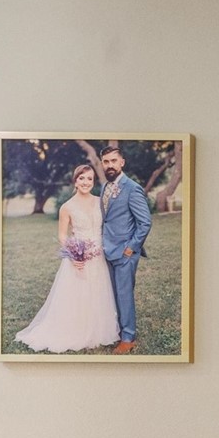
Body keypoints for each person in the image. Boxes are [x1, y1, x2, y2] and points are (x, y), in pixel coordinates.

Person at [15, 162, 121, 353]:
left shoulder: (100, 202)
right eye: (82, 178)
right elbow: (63, 235)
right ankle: (76, 329)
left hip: (99, 255)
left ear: (93, 181)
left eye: (89, 179)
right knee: (78, 293)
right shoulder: (67, 207)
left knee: (98, 290)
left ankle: (97, 328)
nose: (86, 182)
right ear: (75, 181)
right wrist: (74, 254)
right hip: (79, 256)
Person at [97, 145, 153, 353]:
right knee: (113, 293)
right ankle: (118, 330)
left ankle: (128, 338)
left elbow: (145, 222)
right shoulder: (104, 186)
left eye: (114, 161)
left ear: (122, 162)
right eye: (106, 162)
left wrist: (131, 248)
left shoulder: (132, 188)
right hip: (108, 250)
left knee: (124, 294)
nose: (110, 165)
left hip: (124, 253)